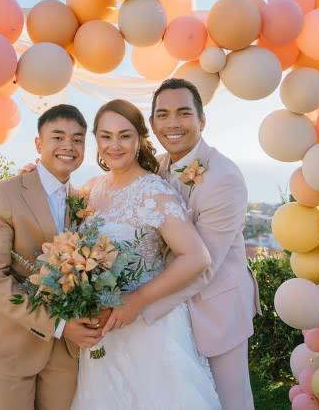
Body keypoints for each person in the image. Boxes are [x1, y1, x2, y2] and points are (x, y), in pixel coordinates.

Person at [70, 99, 220, 409]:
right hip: (103, 332)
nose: (115, 145)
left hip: (150, 332)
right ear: (95, 140)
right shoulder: (90, 190)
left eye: (124, 135)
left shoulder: (155, 191)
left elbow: (196, 256)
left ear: (139, 139)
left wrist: (136, 300)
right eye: (105, 136)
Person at [0, 104, 104, 410]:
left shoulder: (83, 201)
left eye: (78, 139)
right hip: (10, 345)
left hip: (65, 354)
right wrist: (58, 323)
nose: (68, 146)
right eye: (58, 137)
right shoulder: (3, 195)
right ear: (38, 144)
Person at [141, 78, 263, 410]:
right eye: (162, 115)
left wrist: (141, 307)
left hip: (216, 307)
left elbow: (203, 264)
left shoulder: (223, 177)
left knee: (229, 401)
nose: (173, 123)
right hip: (174, 307)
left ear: (202, 120)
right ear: (152, 123)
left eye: (183, 113)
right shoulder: (159, 167)